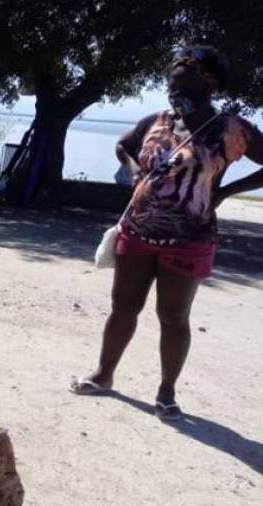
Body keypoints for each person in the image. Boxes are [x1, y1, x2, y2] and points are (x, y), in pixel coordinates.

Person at [72, 46, 263, 421]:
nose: (174, 90)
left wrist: (224, 191)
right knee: (123, 308)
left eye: (182, 81)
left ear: (208, 84)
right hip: (137, 231)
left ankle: (166, 391)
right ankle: (104, 374)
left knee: (173, 317)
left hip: (189, 239)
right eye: (171, 82)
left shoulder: (232, 129)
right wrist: (133, 170)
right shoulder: (157, 120)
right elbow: (123, 145)